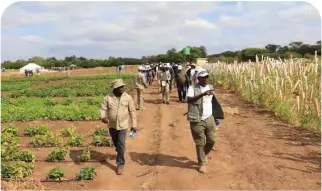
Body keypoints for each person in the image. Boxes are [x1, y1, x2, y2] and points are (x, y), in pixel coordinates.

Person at [99, 79, 137, 175]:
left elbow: (132, 111)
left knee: (121, 143)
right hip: (112, 125)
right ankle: (120, 150)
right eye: (121, 87)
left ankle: (120, 164)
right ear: (115, 88)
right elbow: (103, 108)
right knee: (116, 142)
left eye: (123, 86)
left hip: (123, 124)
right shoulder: (108, 97)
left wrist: (134, 125)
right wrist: (102, 117)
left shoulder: (127, 97)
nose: (123, 88)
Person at [186, 69, 216, 174]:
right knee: (200, 142)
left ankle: (203, 154)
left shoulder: (211, 87)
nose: (206, 79)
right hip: (196, 119)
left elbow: (213, 102)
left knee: (212, 140)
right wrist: (202, 94)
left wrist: (217, 117)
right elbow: (189, 100)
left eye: (207, 76)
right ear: (198, 78)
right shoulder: (192, 87)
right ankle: (202, 163)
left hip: (209, 118)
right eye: (203, 77)